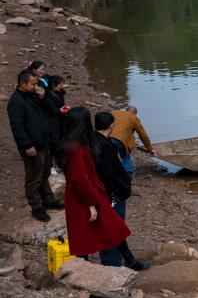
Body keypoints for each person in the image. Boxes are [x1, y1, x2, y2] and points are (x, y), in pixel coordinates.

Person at [57, 107, 148, 269]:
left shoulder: (69, 143)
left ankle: (127, 261)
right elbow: (80, 179)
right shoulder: (77, 149)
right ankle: (98, 266)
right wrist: (92, 203)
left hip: (83, 194)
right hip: (86, 195)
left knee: (104, 228)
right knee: (107, 228)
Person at [7, 69, 63, 221]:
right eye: (33, 84)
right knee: (34, 176)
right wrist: (27, 145)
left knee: (45, 173)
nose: (35, 86)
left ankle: (49, 199)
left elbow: (50, 109)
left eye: (36, 83)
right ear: (22, 84)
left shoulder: (34, 95)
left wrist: (43, 97)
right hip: (32, 146)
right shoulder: (16, 102)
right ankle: (36, 206)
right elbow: (17, 127)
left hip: (44, 141)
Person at [94, 111, 134, 267]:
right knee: (114, 226)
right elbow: (107, 173)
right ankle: (112, 263)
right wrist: (112, 195)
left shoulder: (94, 140)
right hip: (113, 195)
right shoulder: (104, 146)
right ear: (111, 125)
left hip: (109, 193)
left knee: (112, 226)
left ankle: (122, 259)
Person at [109, 106, 156, 176]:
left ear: (125, 110)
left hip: (106, 139)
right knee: (125, 157)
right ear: (135, 114)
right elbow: (143, 135)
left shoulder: (114, 112)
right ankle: (127, 178)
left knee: (109, 157)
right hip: (120, 142)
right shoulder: (134, 118)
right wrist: (150, 149)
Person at [42, 75, 69, 156]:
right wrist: (60, 111)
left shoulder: (59, 92)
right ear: (53, 85)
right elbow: (49, 110)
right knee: (54, 140)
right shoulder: (47, 96)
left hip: (60, 119)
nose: (61, 87)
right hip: (52, 121)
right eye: (60, 85)